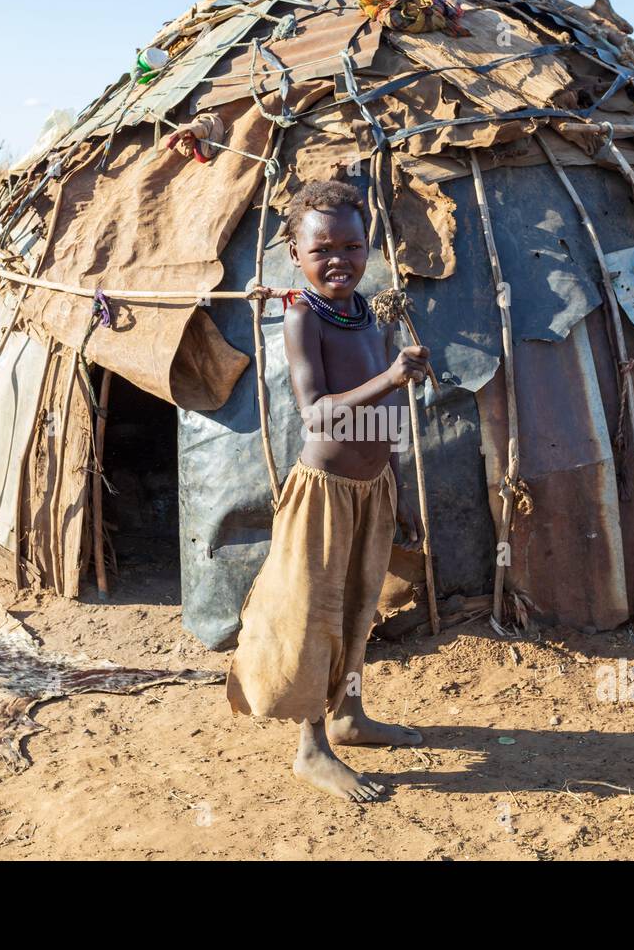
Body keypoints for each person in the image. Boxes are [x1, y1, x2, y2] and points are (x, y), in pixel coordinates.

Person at [226, 179, 430, 802]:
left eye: (352, 245)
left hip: (371, 486)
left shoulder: (368, 311)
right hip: (325, 490)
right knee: (317, 616)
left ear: (368, 248)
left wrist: (393, 470)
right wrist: (391, 377)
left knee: (359, 606)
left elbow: (379, 403)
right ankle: (311, 748)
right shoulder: (300, 315)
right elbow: (316, 411)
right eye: (323, 250)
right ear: (295, 252)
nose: (339, 259)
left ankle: (350, 716)